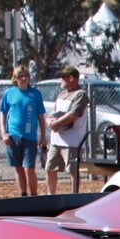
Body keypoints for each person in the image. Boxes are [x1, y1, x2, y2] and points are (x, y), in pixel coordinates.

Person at [0, 64, 47, 196]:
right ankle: (23, 195)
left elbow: (41, 117)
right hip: (13, 136)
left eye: (26, 76)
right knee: (18, 168)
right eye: (21, 76)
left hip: (30, 137)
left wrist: (43, 137)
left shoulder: (35, 94)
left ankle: (34, 196)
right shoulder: (9, 93)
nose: (24, 78)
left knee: (29, 168)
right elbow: (2, 113)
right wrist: (4, 133)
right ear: (15, 79)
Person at [45, 65, 89, 195]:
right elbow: (52, 113)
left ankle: (73, 197)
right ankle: (50, 197)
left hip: (72, 142)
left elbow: (73, 115)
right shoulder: (62, 94)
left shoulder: (81, 95)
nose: (61, 80)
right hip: (56, 140)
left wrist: (57, 123)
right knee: (50, 168)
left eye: (63, 77)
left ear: (72, 78)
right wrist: (50, 122)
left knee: (72, 171)